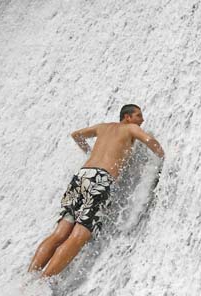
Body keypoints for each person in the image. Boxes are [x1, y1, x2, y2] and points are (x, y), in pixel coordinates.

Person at [28, 104, 164, 277]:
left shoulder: (102, 127)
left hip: (81, 176)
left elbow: (76, 135)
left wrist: (90, 154)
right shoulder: (131, 128)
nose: (142, 120)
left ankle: (28, 281)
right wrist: (164, 156)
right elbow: (149, 141)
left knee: (59, 233)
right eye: (138, 115)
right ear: (127, 117)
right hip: (100, 179)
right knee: (79, 236)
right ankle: (40, 285)